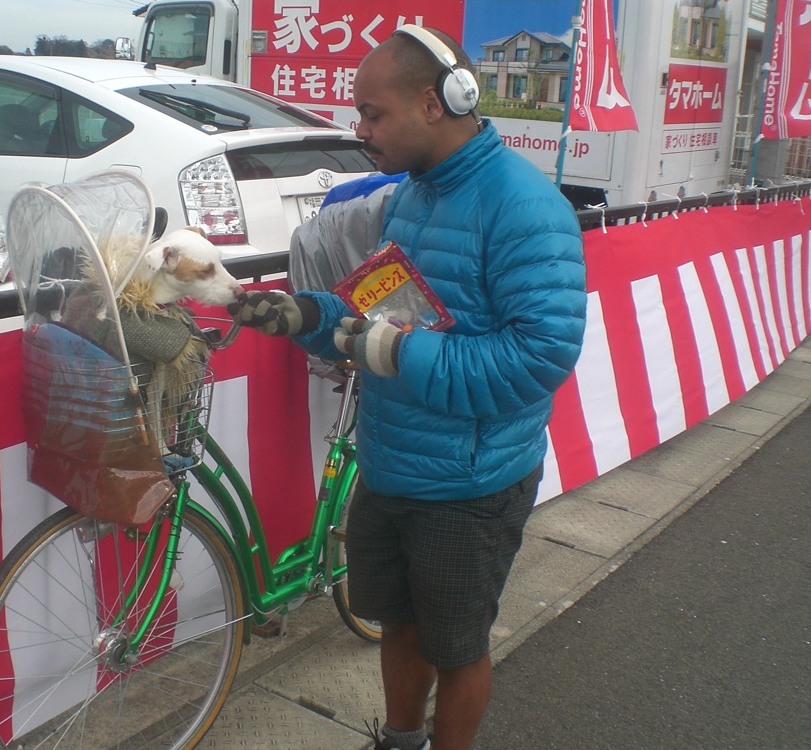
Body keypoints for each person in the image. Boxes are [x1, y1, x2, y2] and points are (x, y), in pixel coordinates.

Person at [228, 25, 587, 750]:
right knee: (399, 623)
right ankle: (400, 738)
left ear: (433, 103)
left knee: (457, 648)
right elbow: (377, 308)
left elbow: (540, 356)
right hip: (390, 462)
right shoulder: (409, 198)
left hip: (470, 483)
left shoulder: (525, 206)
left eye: (373, 114)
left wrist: (397, 352)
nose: (360, 131)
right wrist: (306, 314)